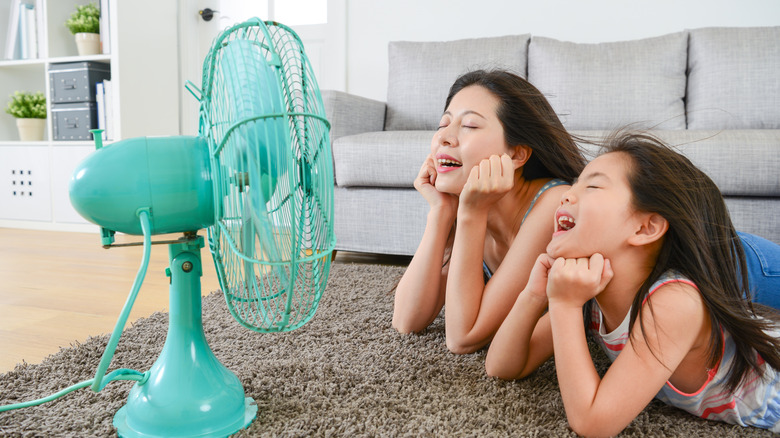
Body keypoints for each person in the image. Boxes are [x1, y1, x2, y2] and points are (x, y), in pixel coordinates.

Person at [485, 131, 780, 435]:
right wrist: (534, 295)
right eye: (575, 183)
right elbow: (502, 367)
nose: (567, 194)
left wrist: (564, 305)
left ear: (645, 228)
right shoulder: (592, 292)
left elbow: (592, 424)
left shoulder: (675, 301)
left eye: (593, 186)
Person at [392, 69, 587, 354]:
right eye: (442, 124)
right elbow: (407, 320)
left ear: (517, 154)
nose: (444, 137)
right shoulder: (467, 202)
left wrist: (471, 214)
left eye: (469, 125)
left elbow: (463, 338)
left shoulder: (555, 204)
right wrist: (440, 212)